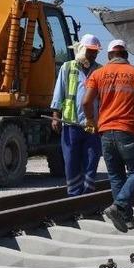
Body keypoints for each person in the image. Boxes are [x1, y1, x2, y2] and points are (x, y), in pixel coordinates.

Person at [82, 39, 134, 232]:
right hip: (129, 131)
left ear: (109, 55)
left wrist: (91, 121)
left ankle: (127, 220)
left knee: (116, 177)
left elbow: (86, 102)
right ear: (126, 55)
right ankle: (119, 205)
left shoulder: (98, 74)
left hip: (105, 132)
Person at [50, 34, 103, 197]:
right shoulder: (67, 67)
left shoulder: (100, 70)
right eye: (90, 51)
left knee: (91, 160)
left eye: (95, 52)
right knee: (71, 161)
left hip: (93, 125)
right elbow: (60, 92)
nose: (93, 55)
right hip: (71, 123)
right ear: (82, 50)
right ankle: (74, 195)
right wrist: (55, 114)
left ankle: (87, 194)